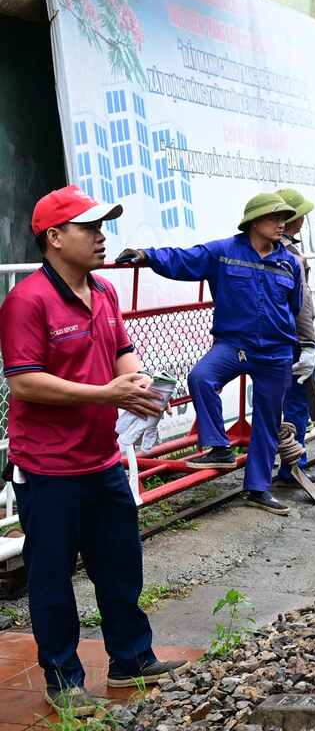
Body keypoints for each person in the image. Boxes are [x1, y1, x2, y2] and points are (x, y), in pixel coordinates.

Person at [0, 186, 185, 715]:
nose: (102, 237)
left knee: (121, 566)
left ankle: (131, 658)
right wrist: (107, 393)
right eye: (89, 228)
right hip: (48, 467)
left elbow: (122, 352)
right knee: (52, 578)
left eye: (103, 227)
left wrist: (142, 388)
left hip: (100, 458)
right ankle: (64, 680)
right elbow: (26, 382)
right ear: (54, 238)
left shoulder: (102, 291)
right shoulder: (27, 301)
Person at [117, 194, 303, 516]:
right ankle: (219, 447)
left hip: (275, 350)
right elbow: (184, 259)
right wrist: (147, 256)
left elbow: (295, 306)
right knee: (202, 377)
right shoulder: (223, 252)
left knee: (267, 419)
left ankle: (258, 488)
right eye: (275, 218)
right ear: (255, 222)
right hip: (236, 345)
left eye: (284, 218)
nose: (282, 224)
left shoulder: (290, 262)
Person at [276, 188, 315, 490]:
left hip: (274, 339)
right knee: (296, 405)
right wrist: (308, 343)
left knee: (277, 404)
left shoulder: (265, 249)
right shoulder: (292, 256)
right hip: (293, 340)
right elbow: (302, 304)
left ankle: (285, 467)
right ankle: (294, 466)